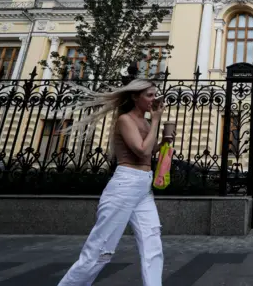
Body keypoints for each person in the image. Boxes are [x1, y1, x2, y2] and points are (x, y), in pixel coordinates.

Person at [58, 79, 173, 286]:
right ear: (135, 97)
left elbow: (149, 153)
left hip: (143, 188)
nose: (154, 99)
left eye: (155, 95)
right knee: (100, 250)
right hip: (125, 186)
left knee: (152, 243)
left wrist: (164, 142)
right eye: (149, 95)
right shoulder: (125, 120)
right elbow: (140, 150)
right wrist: (157, 120)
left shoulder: (146, 122)